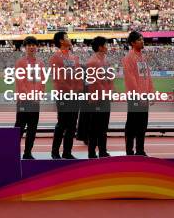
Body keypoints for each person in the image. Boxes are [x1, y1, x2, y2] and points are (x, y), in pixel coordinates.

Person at [50, 31, 82, 159]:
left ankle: (67, 152)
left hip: (75, 95)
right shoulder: (56, 57)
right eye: (67, 37)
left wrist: (78, 89)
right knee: (62, 123)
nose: (69, 39)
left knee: (72, 125)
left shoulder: (74, 57)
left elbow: (79, 75)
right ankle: (55, 152)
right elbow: (58, 77)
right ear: (61, 41)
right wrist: (70, 90)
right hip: (64, 94)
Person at [14, 36, 45, 159]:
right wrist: (28, 96)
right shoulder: (20, 62)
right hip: (24, 100)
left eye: (34, 45)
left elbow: (42, 81)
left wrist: (39, 95)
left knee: (32, 129)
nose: (32, 47)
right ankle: (12, 152)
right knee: (19, 129)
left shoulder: (40, 63)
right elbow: (20, 82)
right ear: (25, 47)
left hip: (35, 101)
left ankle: (27, 153)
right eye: (29, 45)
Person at [123, 31, 154, 156]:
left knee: (142, 125)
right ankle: (129, 151)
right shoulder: (128, 58)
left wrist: (151, 93)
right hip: (135, 97)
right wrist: (138, 95)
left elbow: (148, 77)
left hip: (144, 96)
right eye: (139, 39)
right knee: (132, 125)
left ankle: (140, 150)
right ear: (132, 43)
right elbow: (130, 79)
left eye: (142, 38)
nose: (142, 41)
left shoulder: (143, 57)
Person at [85, 36, 114, 158]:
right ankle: (92, 152)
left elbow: (109, 78)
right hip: (97, 99)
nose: (107, 47)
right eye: (105, 45)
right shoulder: (92, 62)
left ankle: (102, 150)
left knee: (103, 127)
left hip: (105, 98)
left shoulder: (105, 61)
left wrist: (111, 91)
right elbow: (94, 82)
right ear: (100, 47)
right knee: (95, 128)